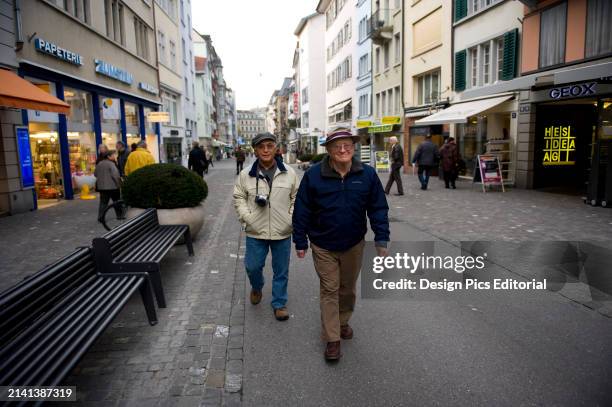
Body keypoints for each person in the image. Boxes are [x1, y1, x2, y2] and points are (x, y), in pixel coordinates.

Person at [292, 127, 390, 361]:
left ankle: (343, 320)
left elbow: (378, 208)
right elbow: (302, 209)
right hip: (322, 243)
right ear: (329, 150)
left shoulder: (367, 174)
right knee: (329, 289)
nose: (343, 150)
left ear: (354, 148)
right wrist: (300, 240)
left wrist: (381, 238)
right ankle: (332, 338)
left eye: (347, 145)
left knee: (347, 289)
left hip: (354, 243)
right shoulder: (314, 175)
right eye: (337, 146)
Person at [233, 133, 298, 321]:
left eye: (270, 145)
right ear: (255, 150)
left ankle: (279, 303)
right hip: (255, 231)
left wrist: (290, 218)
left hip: (282, 231)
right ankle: (257, 286)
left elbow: (297, 197)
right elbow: (239, 198)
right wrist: (247, 218)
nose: (266, 150)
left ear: (276, 148)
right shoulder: (246, 175)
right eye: (262, 147)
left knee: (281, 270)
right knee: (253, 267)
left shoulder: (289, 173)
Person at [94, 150, 122, 223]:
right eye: (113, 155)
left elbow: (95, 174)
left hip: (102, 188)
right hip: (112, 187)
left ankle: (100, 217)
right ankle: (119, 215)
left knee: (103, 202)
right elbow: (115, 175)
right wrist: (119, 184)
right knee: (116, 201)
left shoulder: (99, 164)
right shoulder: (111, 164)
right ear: (108, 156)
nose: (114, 156)